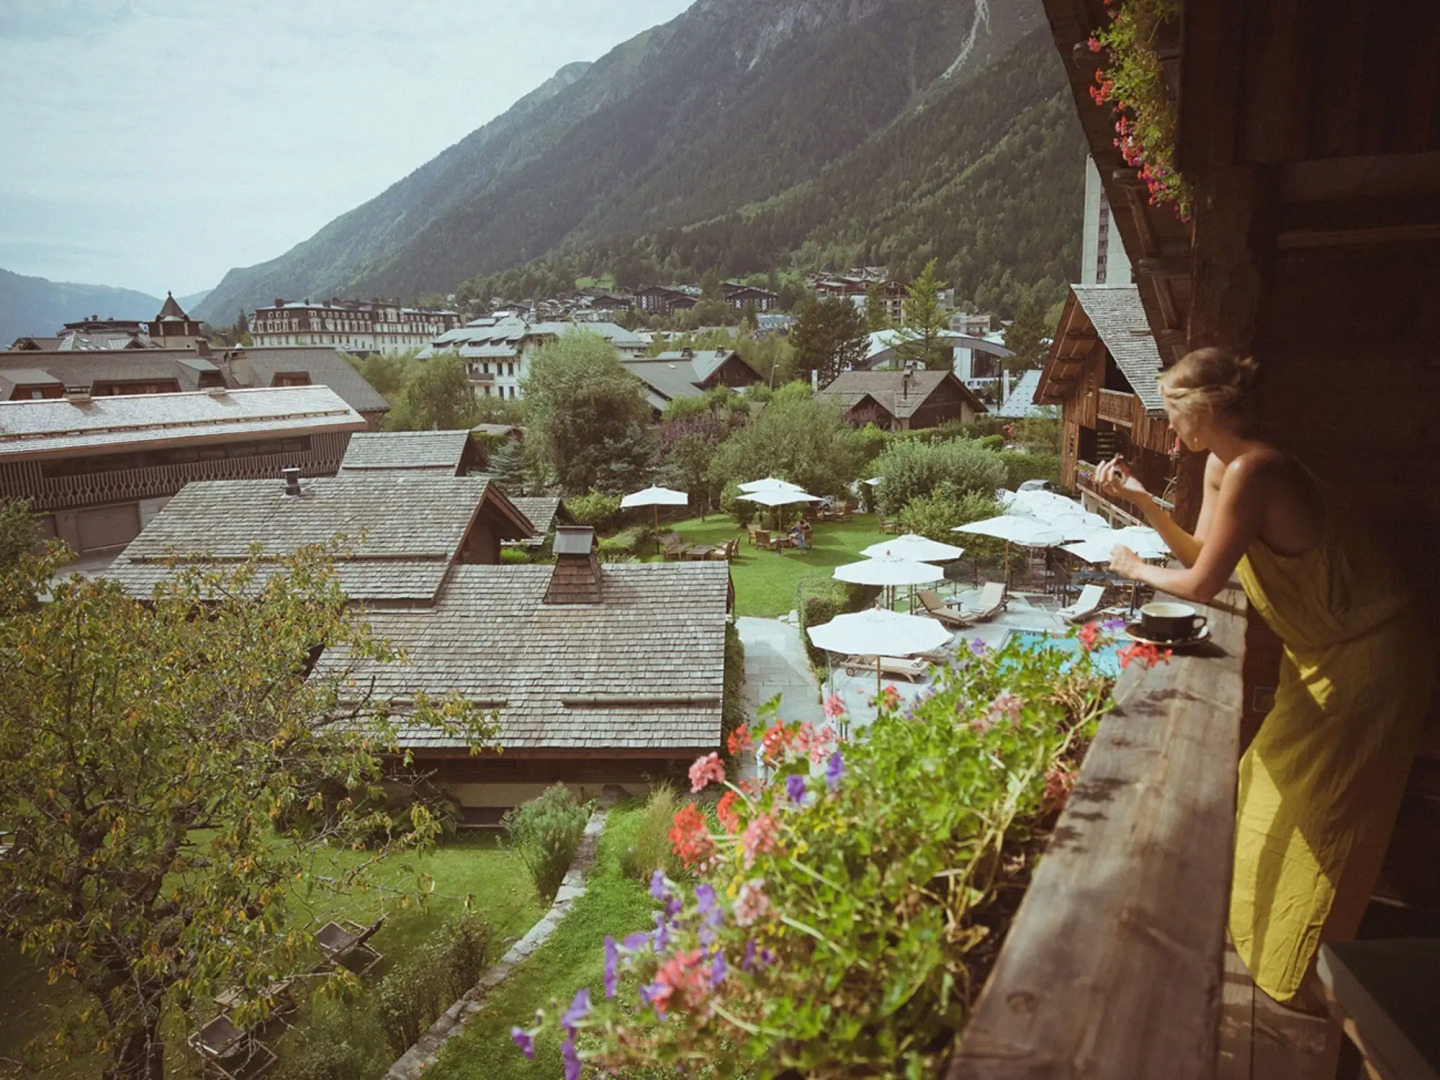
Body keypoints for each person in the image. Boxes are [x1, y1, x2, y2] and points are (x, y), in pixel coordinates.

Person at [1095, 346, 1433, 1009]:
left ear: (1203, 410)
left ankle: (1302, 976)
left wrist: (1134, 569)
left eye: (1172, 417)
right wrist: (1144, 503)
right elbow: (1200, 552)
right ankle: (1258, 942)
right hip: (1320, 655)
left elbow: (1198, 582)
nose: (1169, 434)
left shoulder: (1257, 468)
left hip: (1369, 660)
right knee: (1262, 783)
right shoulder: (1224, 466)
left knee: (1327, 813)